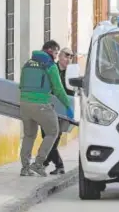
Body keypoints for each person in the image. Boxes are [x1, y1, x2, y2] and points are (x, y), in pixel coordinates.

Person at [19, 40, 74, 177]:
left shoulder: (27, 64)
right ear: (50, 51)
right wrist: (68, 105)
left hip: (24, 104)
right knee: (53, 132)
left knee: (29, 135)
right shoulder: (49, 66)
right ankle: (38, 164)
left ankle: (25, 168)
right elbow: (58, 89)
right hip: (41, 104)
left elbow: (21, 84)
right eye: (56, 53)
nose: (56, 57)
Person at [42, 47, 75, 175]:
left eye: (71, 57)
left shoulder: (70, 74)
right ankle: (47, 164)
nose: (68, 59)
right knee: (46, 137)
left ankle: (48, 164)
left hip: (62, 112)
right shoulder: (51, 69)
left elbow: (71, 93)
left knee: (53, 138)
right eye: (66, 55)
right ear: (60, 56)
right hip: (47, 108)